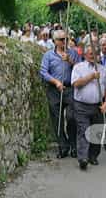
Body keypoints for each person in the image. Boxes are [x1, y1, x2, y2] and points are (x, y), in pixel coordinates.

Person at [71, 45, 106, 170]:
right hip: (81, 105)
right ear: (85, 55)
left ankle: (93, 156)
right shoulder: (78, 67)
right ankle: (83, 158)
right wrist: (91, 77)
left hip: (97, 106)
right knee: (83, 131)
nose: (92, 55)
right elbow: (76, 84)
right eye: (90, 53)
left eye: (95, 53)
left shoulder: (103, 70)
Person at [40, 30, 81, 159]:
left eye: (65, 39)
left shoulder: (73, 53)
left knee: (72, 117)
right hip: (54, 89)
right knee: (57, 120)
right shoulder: (48, 55)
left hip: (70, 88)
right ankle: (63, 146)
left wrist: (70, 61)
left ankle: (73, 145)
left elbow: (80, 69)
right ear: (55, 41)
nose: (64, 42)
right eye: (61, 39)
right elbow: (43, 72)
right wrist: (56, 82)